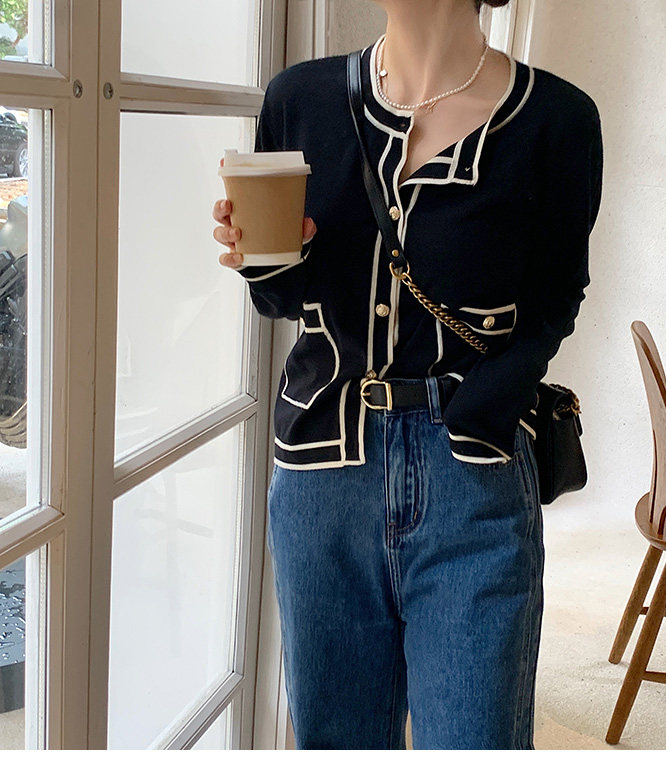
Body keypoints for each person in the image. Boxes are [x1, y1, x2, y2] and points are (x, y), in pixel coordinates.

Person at [212, 0, 603, 750]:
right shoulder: (300, 98)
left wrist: (487, 410)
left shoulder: (558, 119)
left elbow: (556, 299)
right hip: (323, 476)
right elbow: (281, 299)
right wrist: (257, 256)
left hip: (474, 470)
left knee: (478, 744)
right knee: (337, 746)